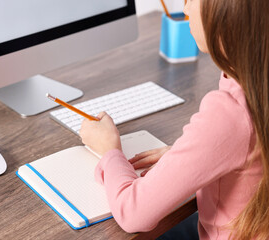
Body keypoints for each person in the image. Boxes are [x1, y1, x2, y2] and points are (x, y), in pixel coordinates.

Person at [79, 0, 269, 239]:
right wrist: (196, 154)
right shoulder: (254, 81)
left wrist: (109, 151)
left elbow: (133, 213)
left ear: (229, 13)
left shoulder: (230, 112)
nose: (185, 8)